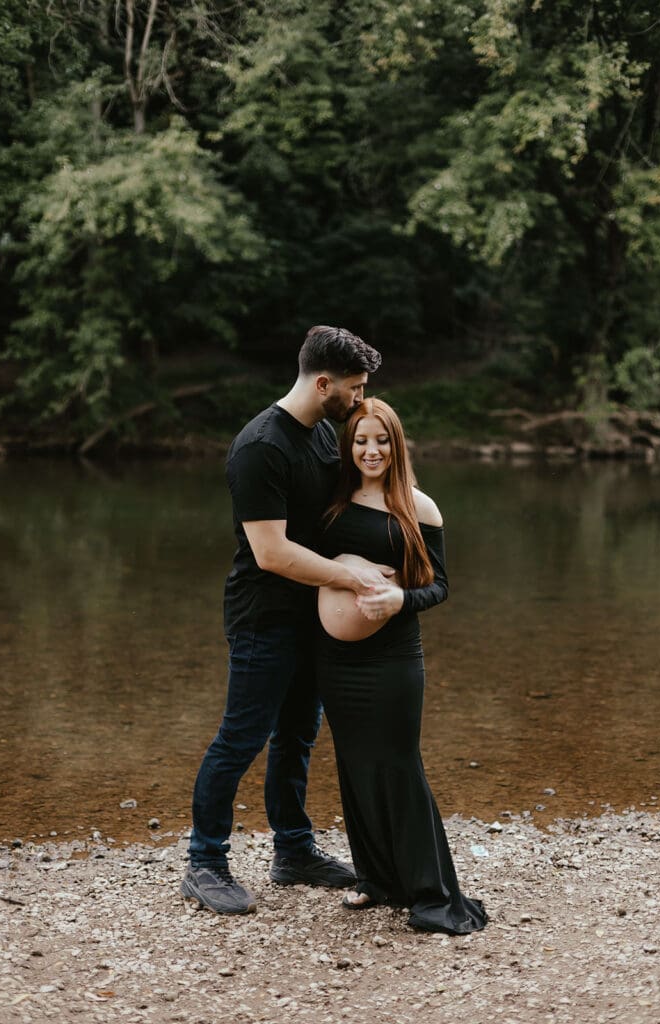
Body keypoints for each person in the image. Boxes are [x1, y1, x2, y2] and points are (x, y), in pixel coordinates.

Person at [181, 326, 385, 915]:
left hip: (312, 615)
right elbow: (272, 553)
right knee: (241, 737)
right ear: (324, 383)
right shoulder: (260, 447)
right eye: (355, 387)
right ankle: (205, 861)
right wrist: (351, 579)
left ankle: (293, 852)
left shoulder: (323, 432)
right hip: (262, 616)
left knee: (296, 736)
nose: (361, 398)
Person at [316, 397, 488, 935]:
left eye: (381, 440)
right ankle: (375, 877)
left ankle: (431, 892)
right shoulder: (332, 501)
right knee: (354, 762)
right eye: (361, 440)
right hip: (336, 660)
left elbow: (439, 586)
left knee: (397, 763)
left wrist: (398, 601)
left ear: (397, 444)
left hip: (393, 659)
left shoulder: (420, 507)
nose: (371, 450)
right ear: (350, 445)